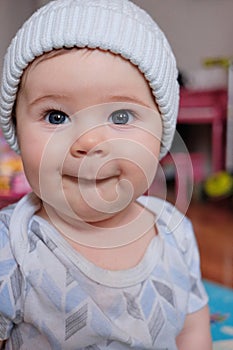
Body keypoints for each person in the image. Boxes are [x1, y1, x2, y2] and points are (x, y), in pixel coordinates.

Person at [0, 0, 212, 349]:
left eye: (121, 117)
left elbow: (192, 327)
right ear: (17, 132)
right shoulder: (13, 246)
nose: (88, 142)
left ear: (161, 132)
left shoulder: (176, 235)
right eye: (56, 116)